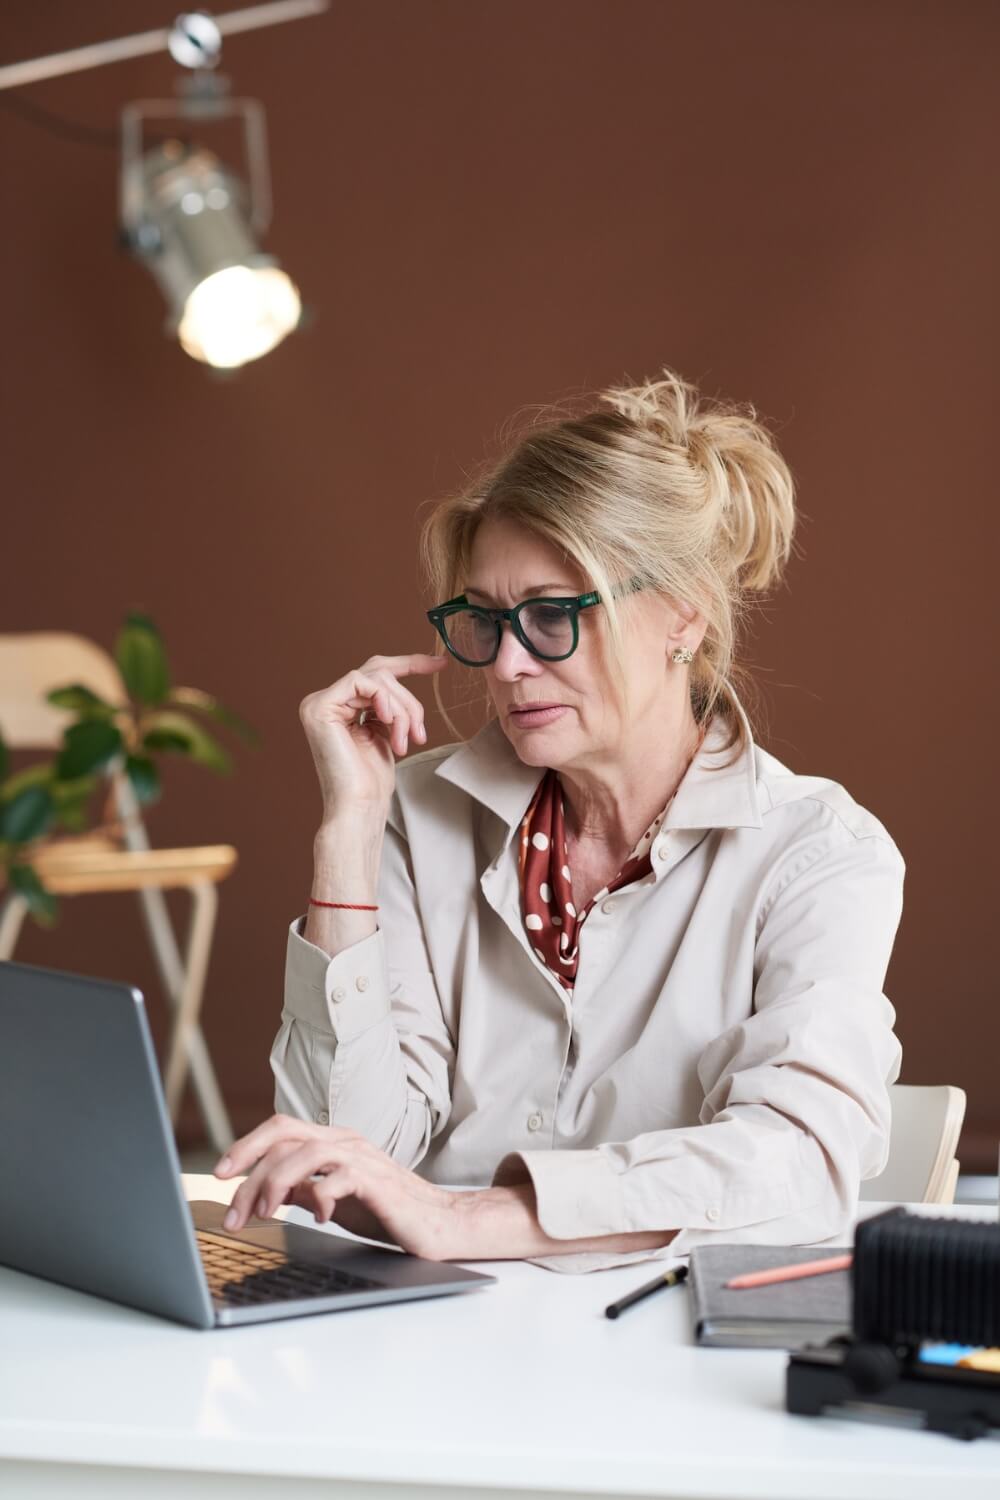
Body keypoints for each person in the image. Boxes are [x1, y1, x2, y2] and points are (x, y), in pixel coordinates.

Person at [215, 367, 905, 1273]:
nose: (503, 666)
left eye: (552, 615)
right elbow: (347, 1150)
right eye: (485, 619)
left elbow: (796, 1159)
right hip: (417, 1345)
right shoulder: (415, 816)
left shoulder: (818, 854)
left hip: (658, 1352)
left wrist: (471, 1220)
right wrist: (346, 833)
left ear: (683, 615)